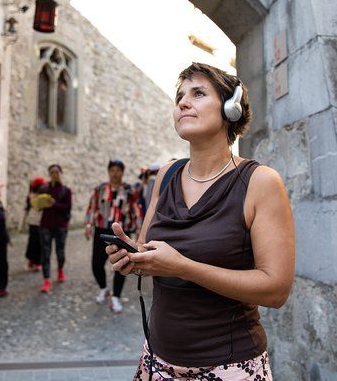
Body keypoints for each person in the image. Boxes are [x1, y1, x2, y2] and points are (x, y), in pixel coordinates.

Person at [107, 62, 295, 380]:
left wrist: (183, 266)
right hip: (157, 362)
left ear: (230, 108)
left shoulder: (260, 181)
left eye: (198, 93)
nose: (182, 102)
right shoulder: (166, 174)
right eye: (179, 96)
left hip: (229, 367)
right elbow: (148, 253)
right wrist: (131, 256)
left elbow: (276, 290)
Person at [84, 159, 142, 313]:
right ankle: (103, 288)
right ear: (108, 171)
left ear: (122, 172)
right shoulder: (100, 189)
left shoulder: (129, 190)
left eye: (118, 170)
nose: (115, 173)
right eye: (112, 170)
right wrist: (89, 225)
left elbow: (136, 210)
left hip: (121, 232)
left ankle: (116, 296)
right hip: (102, 230)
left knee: (121, 263)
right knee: (96, 263)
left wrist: (139, 229)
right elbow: (92, 207)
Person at [39, 164, 73, 293]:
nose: (55, 174)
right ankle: (46, 279)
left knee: (60, 251)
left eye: (57, 172)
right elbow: (37, 204)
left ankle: (60, 270)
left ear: (61, 174)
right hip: (45, 225)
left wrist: (55, 204)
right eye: (52, 172)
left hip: (60, 226)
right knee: (45, 253)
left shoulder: (66, 190)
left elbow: (67, 207)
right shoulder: (44, 189)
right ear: (49, 174)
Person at [23, 176, 47, 271]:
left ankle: (37, 261)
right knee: (33, 242)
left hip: (42, 222)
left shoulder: (45, 196)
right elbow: (26, 209)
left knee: (40, 242)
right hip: (33, 222)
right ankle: (32, 259)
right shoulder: (31, 196)